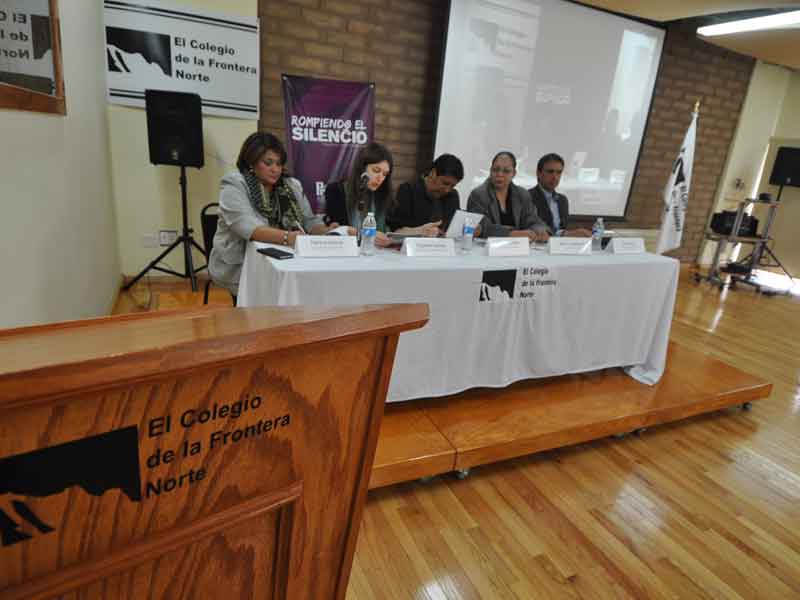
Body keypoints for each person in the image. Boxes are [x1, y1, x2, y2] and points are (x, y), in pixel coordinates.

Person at [209, 132, 335, 296]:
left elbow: (309, 222)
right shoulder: (234, 184)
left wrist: (329, 231)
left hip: (287, 259)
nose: (275, 169)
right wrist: (288, 237)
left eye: (279, 163)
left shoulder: (291, 185)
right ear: (251, 161)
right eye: (268, 163)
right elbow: (249, 228)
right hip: (242, 265)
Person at [466, 151, 549, 241]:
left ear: (514, 173)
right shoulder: (478, 195)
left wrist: (540, 231)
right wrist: (512, 234)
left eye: (506, 171)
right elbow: (482, 228)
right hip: (488, 247)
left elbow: (533, 220)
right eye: (495, 170)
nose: (500, 174)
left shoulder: (522, 194)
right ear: (490, 171)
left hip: (519, 246)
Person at [324, 142, 395, 248]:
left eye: (385, 174)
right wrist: (366, 234)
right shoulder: (336, 191)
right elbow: (337, 230)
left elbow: (390, 230)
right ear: (362, 168)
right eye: (376, 170)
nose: (380, 178)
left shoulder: (384, 195)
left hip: (378, 252)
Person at [387, 154, 464, 236]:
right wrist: (421, 231)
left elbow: (455, 228)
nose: (447, 190)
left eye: (452, 186)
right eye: (445, 183)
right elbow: (396, 230)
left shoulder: (452, 196)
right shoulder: (408, 191)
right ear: (433, 173)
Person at [529, 153, 591, 237]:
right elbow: (535, 227)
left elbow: (563, 228)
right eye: (550, 172)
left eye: (559, 172)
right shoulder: (527, 197)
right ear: (538, 173)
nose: (555, 177)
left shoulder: (562, 200)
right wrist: (564, 234)